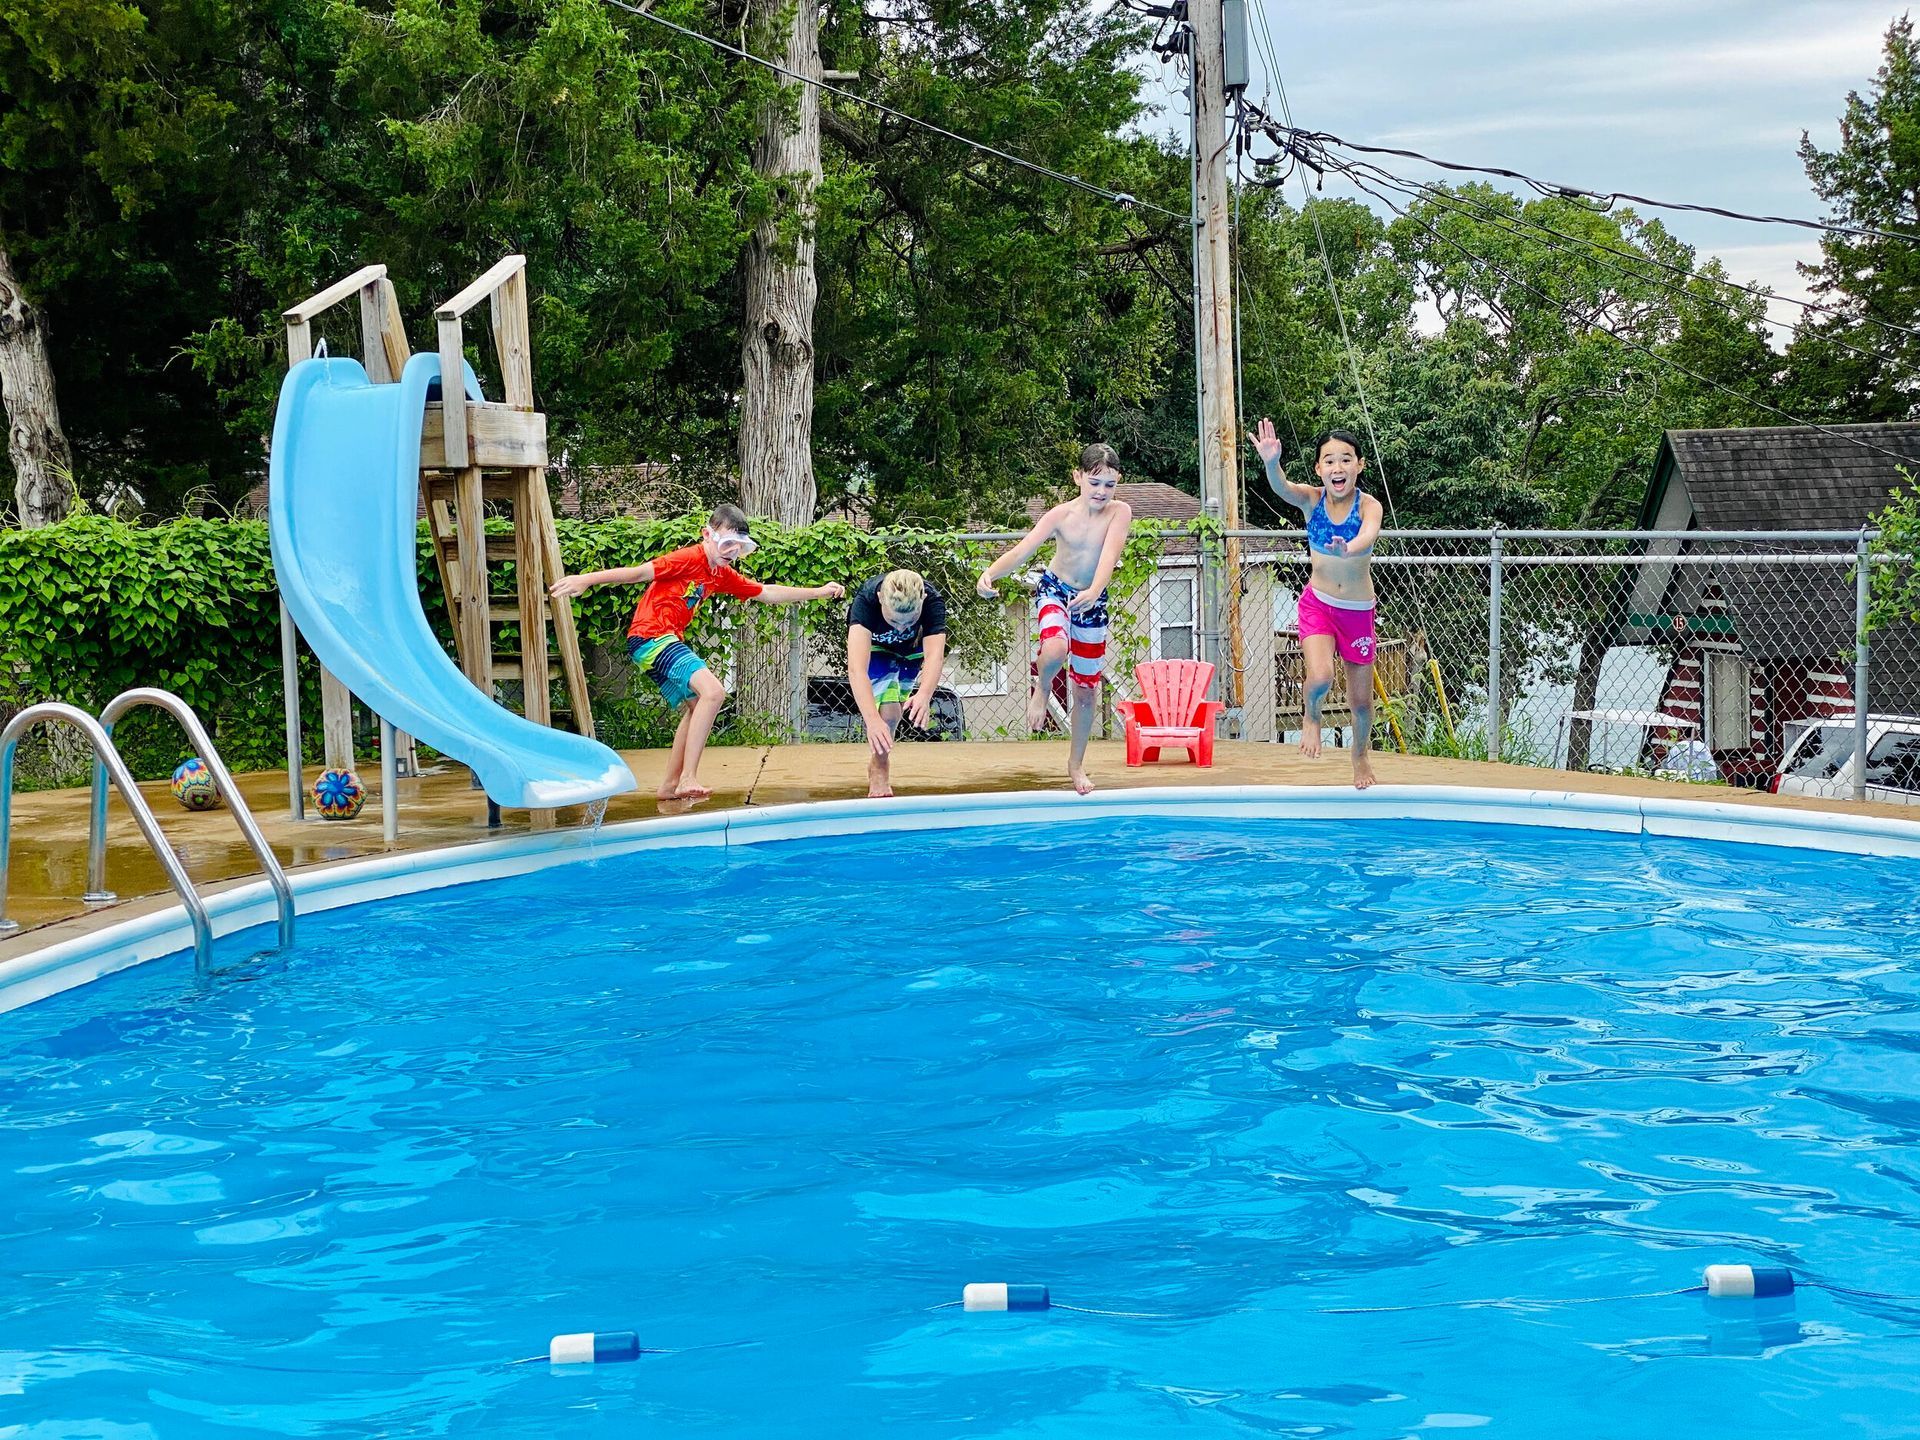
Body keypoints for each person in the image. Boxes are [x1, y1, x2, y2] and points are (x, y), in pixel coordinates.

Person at [549, 504, 844, 802]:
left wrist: (817, 591)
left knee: (696, 707)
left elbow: (766, 592)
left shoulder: (720, 573)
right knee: (714, 693)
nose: (731, 553)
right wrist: (587, 579)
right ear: (707, 534)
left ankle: (669, 785)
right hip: (651, 636)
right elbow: (639, 573)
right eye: (727, 544)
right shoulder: (689, 558)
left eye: (739, 548)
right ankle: (688, 777)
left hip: (656, 641)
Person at [976, 443, 1134, 796]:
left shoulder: (1119, 512)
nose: (1101, 492)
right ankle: (1043, 686)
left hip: (1092, 598)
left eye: (1109, 484)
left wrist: (1094, 590)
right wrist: (990, 573)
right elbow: (1023, 550)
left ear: (1118, 482)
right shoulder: (1060, 515)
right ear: (1078, 477)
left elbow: (1110, 554)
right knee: (1056, 645)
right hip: (1055, 590)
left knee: (1086, 690)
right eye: (1094, 482)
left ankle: (1075, 765)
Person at [1248, 420, 1384, 789]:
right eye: (1329, 461)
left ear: (1360, 465)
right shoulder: (1312, 500)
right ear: (1319, 469)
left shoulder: (1369, 506)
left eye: (1345, 460)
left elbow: (1369, 534)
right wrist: (1271, 462)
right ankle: (1312, 718)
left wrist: (1349, 546)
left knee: (1360, 703)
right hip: (1318, 605)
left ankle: (1360, 756)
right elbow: (1281, 487)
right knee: (1321, 676)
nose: (1337, 468)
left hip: (1357, 613)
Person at [846, 568, 949, 798]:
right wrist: (872, 720)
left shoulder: (932, 600)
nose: (900, 627)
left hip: (913, 649)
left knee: (894, 712)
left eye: (910, 619)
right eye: (893, 620)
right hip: (877, 648)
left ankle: (879, 760)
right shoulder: (866, 600)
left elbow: (935, 656)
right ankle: (881, 767)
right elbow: (856, 669)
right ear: (881, 598)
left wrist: (924, 695)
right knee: (889, 714)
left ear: (922, 599)